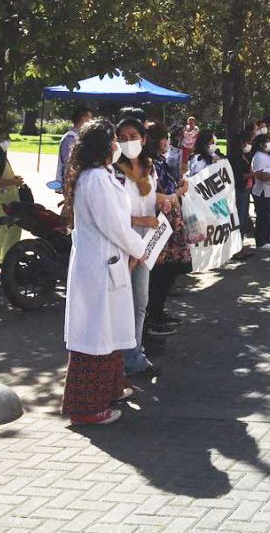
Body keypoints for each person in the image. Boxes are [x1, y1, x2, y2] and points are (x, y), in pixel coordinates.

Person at [61, 120, 149, 426]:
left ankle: (110, 390)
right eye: (114, 140)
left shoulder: (102, 175)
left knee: (109, 333)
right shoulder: (96, 179)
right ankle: (86, 408)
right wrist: (141, 250)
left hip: (107, 265)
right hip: (100, 269)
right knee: (96, 336)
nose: (118, 146)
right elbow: (115, 225)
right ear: (103, 146)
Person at [113, 118, 162, 376]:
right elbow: (111, 214)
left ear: (144, 139)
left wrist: (165, 201)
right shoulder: (115, 172)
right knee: (122, 303)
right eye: (122, 137)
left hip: (146, 245)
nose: (128, 142)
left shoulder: (150, 168)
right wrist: (140, 220)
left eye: (133, 136)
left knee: (140, 302)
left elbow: (152, 200)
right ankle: (124, 358)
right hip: (122, 245)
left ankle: (134, 354)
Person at [144, 122, 191, 340]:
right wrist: (182, 188)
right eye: (164, 138)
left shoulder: (161, 162)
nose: (167, 143)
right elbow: (167, 193)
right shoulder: (151, 165)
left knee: (167, 273)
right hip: (160, 226)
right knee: (159, 275)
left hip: (170, 226)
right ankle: (152, 317)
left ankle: (157, 313)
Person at [0, 130, 25, 265]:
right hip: (3, 198)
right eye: (4, 138)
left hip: (9, 196)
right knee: (12, 227)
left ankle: (2, 257)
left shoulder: (1, 157)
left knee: (5, 227)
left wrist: (14, 180)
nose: (7, 141)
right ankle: (8, 259)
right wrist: (14, 182)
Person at [228, 130, 256, 239]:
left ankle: (241, 243)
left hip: (246, 188)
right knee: (239, 217)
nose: (250, 144)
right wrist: (253, 174)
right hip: (239, 189)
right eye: (249, 142)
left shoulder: (246, 155)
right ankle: (237, 245)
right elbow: (238, 175)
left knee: (243, 217)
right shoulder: (235, 157)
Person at [57, 107, 92, 187]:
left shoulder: (81, 136)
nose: (91, 122)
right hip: (72, 182)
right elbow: (69, 161)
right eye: (90, 118)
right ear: (83, 118)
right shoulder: (70, 137)